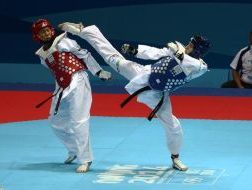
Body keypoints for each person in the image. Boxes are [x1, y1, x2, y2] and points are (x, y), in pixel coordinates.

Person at [58, 22, 210, 171]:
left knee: (173, 125)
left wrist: (179, 52)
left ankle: (175, 158)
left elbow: (189, 63)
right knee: (112, 59)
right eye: (188, 44)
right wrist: (135, 50)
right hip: (142, 74)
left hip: (158, 95)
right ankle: (87, 31)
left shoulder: (200, 67)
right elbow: (156, 52)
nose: (187, 46)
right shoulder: (178, 50)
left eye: (191, 45)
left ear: (198, 51)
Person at [32, 19, 111, 173]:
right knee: (55, 121)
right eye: (42, 32)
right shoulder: (42, 54)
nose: (46, 33)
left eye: (47, 29)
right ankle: (75, 149)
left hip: (78, 79)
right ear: (37, 36)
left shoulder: (64, 42)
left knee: (79, 120)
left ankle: (85, 159)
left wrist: (98, 71)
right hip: (61, 86)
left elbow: (84, 54)